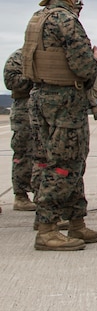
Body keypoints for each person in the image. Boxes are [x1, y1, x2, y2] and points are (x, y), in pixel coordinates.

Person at [22, 0, 97, 251]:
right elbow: (84, 68)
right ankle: (47, 229)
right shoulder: (67, 21)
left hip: (41, 99)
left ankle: (76, 222)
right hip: (64, 104)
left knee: (66, 162)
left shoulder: (37, 18)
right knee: (63, 166)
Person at [5, 48, 39, 213]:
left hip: (45, 111)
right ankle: (21, 196)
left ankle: (42, 195)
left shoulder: (49, 54)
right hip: (24, 112)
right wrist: (36, 77)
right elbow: (10, 81)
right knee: (23, 153)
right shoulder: (19, 57)